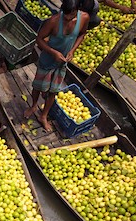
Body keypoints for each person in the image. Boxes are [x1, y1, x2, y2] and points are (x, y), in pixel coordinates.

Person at [24, 0, 89, 131]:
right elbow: (39, 39)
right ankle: (33, 105)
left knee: (53, 91)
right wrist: (53, 52)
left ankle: (44, 115)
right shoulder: (53, 21)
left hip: (62, 63)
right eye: (65, 16)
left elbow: (82, 34)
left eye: (71, 16)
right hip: (47, 61)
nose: (68, 19)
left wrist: (72, 50)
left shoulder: (84, 18)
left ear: (77, 11)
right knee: (38, 86)